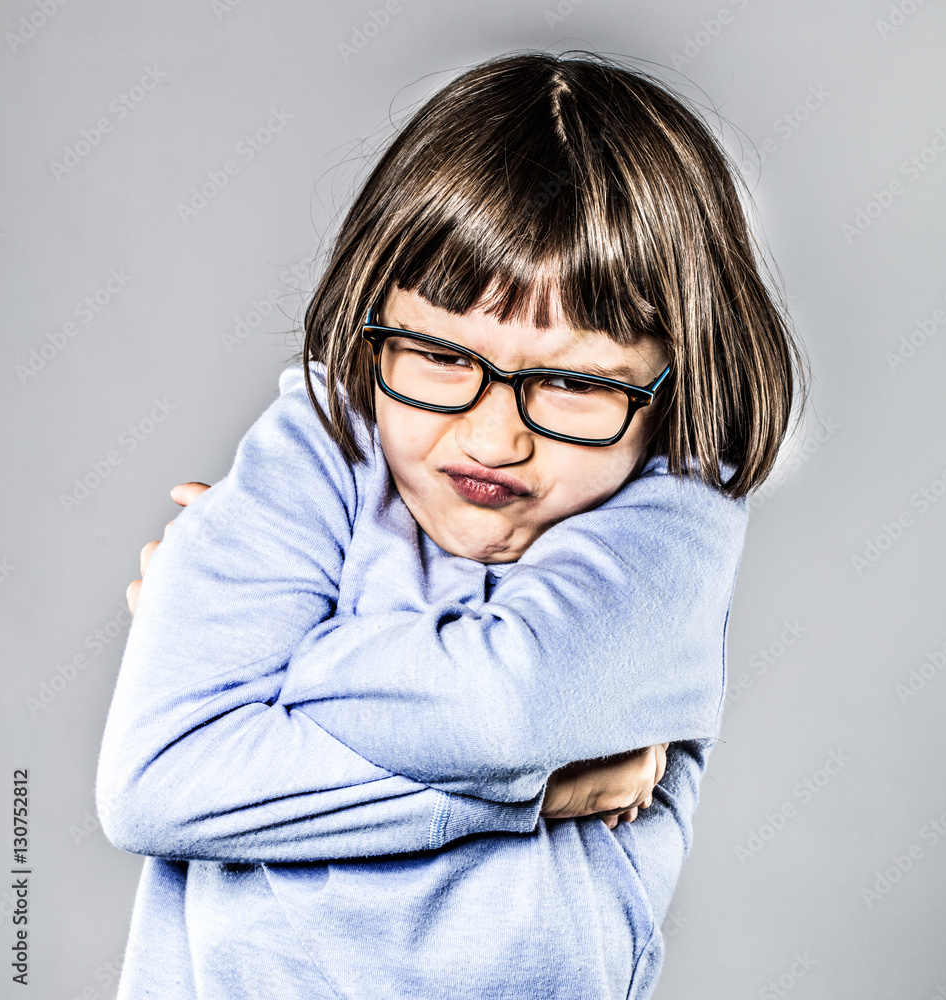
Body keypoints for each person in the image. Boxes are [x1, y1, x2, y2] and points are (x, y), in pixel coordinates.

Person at [95, 50, 804, 1000]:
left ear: (676, 382)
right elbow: (155, 781)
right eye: (436, 354)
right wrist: (536, 788)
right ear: (369, 319)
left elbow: (504, 707)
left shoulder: (673, 514)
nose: (492, 436)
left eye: (572, 382)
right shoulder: (325, 438)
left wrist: (288, 663)